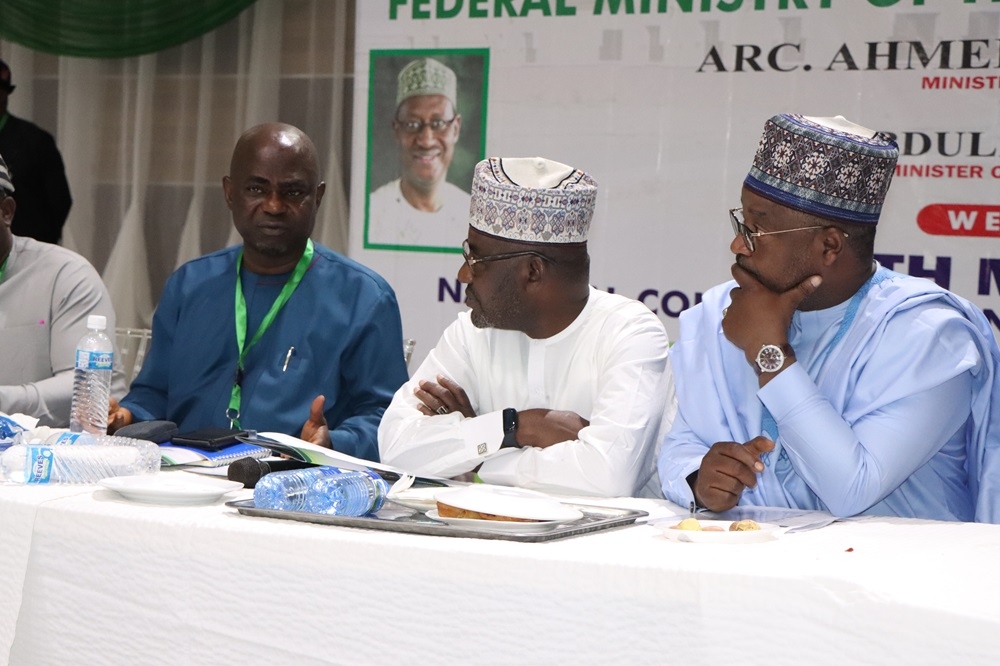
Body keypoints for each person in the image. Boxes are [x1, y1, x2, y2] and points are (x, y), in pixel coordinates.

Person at [658, 114, 1000, 523]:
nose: (738, 244)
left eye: (756, 229)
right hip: (748, 569)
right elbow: (680, 443)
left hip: (891, 575)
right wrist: (699, 478)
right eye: (740, 222)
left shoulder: (930, 335)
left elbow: (853, 488)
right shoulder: (720, 312)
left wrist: (771, 353)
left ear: (829, 245)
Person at [376, 156, 676, 497]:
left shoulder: (630, 333)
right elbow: (396, 448)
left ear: (532, 271)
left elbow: (607, 477)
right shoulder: (471, 334)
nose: (463, 275)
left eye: (475, 260)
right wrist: (515, 427)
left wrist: (479, 458)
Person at [108, 123, 408, 462]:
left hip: (291, 485)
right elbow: (153, 393)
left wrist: (332, 443)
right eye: (256, 188)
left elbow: (386, 416)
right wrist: (127, 416)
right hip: (184, 479)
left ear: (318, 197)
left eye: (293, 192)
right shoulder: (189, 284)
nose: (274, 206)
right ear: (229, 192)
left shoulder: (363, 297)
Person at [0, 152, 121, 426]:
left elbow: (86, 387)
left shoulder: (66, 276)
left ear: (7, 211)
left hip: (51, 457)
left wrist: (6, 401)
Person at [368, 57, 470, 248]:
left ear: (455, 129)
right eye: (413, 124)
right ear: (397, 130)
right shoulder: (374, 213)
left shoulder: (472, 215)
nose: (426, 140)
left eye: (439, 123)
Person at [0, 59, 73, 244]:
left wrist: (37, 247)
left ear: (6, 93)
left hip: (25, 250)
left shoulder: (36, 141)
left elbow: (60, 201)